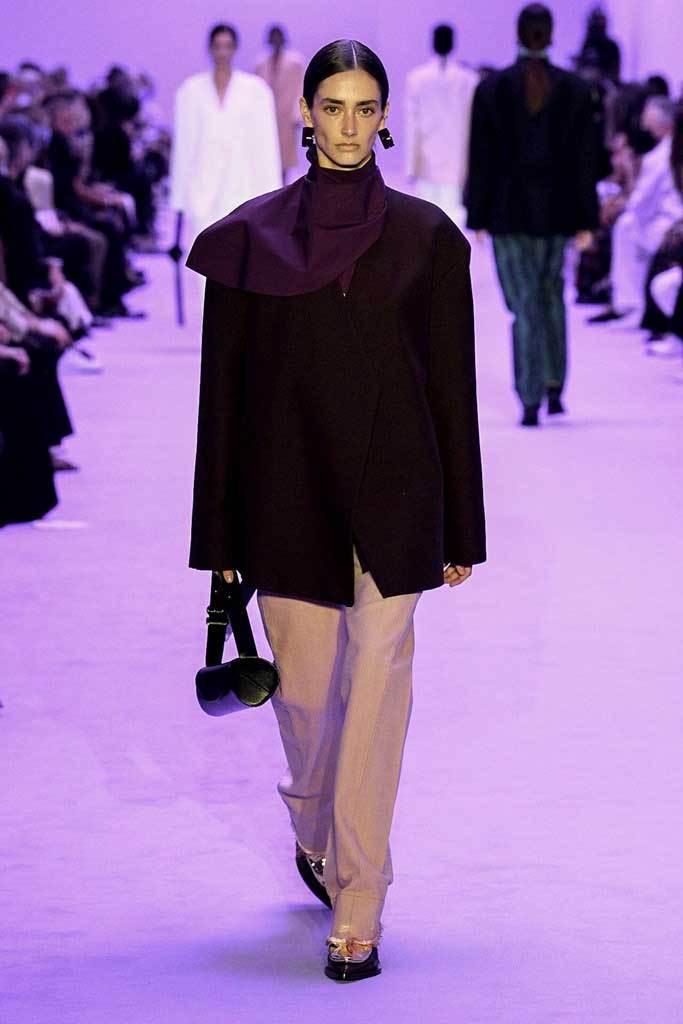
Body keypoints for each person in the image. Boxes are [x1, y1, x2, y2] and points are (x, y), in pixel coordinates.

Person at [186, 39, 486, 982]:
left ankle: (359, 904)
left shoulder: (428, 238)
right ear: (305, 113)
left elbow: (452, 390)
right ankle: (314, 828)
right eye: (333, 106)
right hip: (287, 495)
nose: (348, 125)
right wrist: (218, 535)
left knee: (378, 698)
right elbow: (222, 402)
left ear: (384, 117)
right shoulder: (249, 240)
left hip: (398, 495)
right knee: (310, 702)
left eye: (364, 108)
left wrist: (461, 527)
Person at [466, 3, 599, 426]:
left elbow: (481, 158)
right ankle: (553, 386)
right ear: (551, 34)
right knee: (551, 294)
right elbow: (586, 161)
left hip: (508, 212)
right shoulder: (576, 89)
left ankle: (529, 398)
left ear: (518, 33)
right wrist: (586, 218)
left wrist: (478, 214)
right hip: (558, 211)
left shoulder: (492, 89)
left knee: (524, 302)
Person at [170, 23, 280, 247]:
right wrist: (180, 196)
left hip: (242, 185)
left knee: (239, 254)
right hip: (202, 187)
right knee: (203, 256)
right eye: (217, 46)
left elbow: (266, 147)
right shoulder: (190, 91)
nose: (222, 52)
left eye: (227, 46)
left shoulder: (256, 91)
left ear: (235, 48)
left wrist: (270, 196)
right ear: (209, 48)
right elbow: (183, 146)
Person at [588, 96, 683, 325]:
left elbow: (641, 202)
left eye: (648, 124)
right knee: (628, 223)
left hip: (670, 221)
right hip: (668, 219)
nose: (644, 128)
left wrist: (621, 204)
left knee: (627, 225)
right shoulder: (664, 152)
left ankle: (630, 304)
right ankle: (627, 302)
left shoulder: (662, 155)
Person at [404, 23, 478, 227]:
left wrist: (411, 167)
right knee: (450, 222)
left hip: (430, 163)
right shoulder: (467, 79)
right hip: (455, 162)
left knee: (427, 222)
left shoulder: (417, 78)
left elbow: (412, 126)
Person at [255, 25, 305, 183]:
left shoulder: (295, 63)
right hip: (267, 117)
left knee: (285, 158)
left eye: (279, 37)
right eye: (273, 38)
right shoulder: (261, 64)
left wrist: (298, 114)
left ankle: (283, 187)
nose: (276, 41)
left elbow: (300, 88)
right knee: (267, 154)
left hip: (287, 117)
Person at [573, 6, 621, 85]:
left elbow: (615, 74)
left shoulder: (611, 47)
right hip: (585, 83)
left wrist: (598, 74)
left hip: (604, 84)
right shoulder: (588, 44)